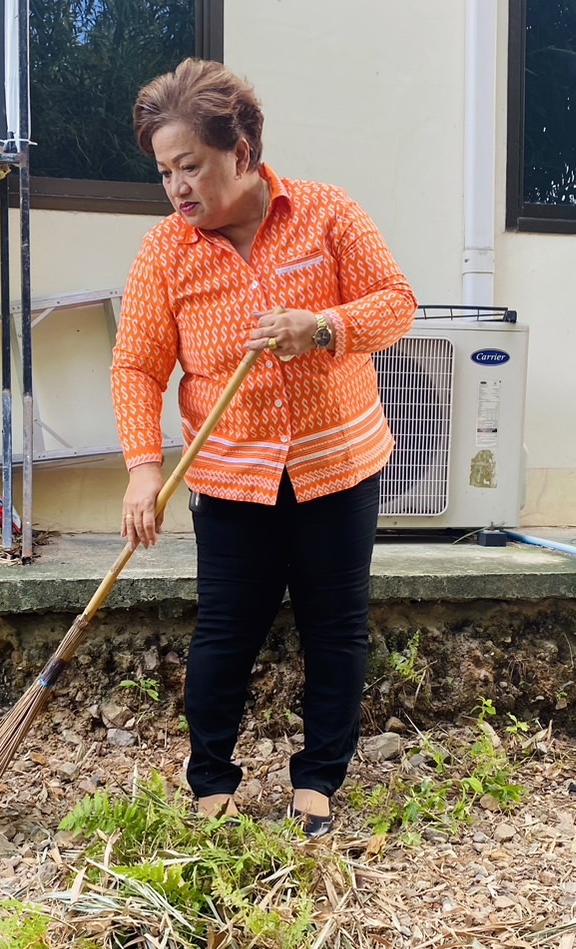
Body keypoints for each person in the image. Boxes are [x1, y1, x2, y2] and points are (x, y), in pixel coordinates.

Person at [109, 58, 417, 837]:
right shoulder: (164, 254)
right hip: (232, 478)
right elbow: (137, 366)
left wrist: (323, 328)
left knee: (334, 627)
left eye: (191, 166)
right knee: (225, 629)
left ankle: (317, 782)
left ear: (241, 150)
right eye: (165, 172)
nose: (178, 187)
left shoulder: (325, 213)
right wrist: (143, 470)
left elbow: (395, 305)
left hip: (336, 466)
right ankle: (210, 777)